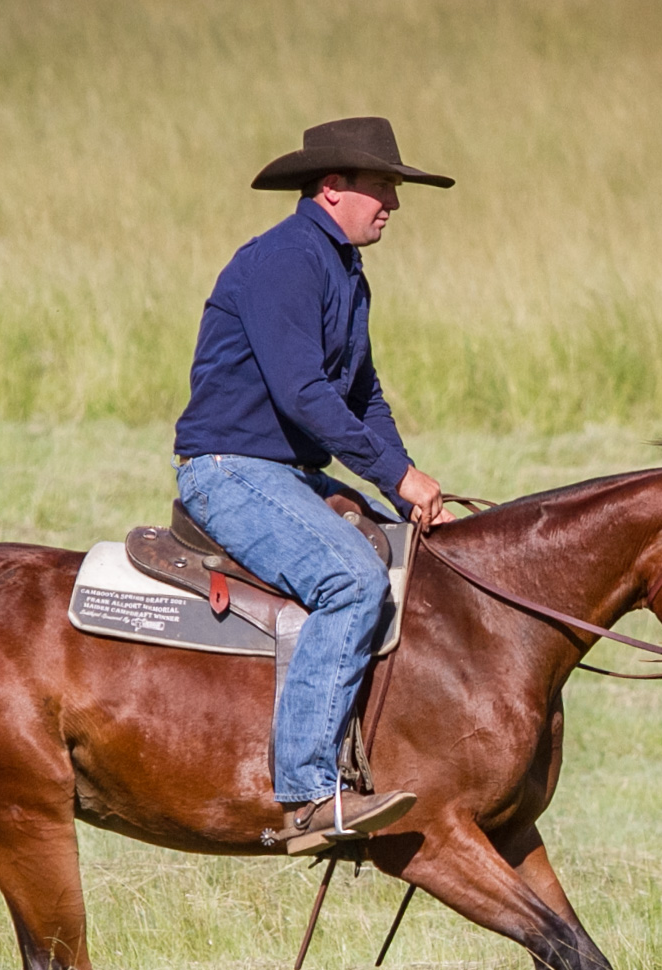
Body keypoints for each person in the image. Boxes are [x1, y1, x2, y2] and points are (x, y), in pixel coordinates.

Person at [173, 117, 455, 848]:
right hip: (230, 470)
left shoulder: (345, 271)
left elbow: (364, 398)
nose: (394, 202)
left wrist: (403, 492)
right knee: (353, 581)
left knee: (406, 556)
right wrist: (395, 474)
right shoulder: (286, 260)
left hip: (289, 473)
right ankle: (305, 792)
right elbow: (304, 393)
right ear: (332, 187)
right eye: (382, 186)